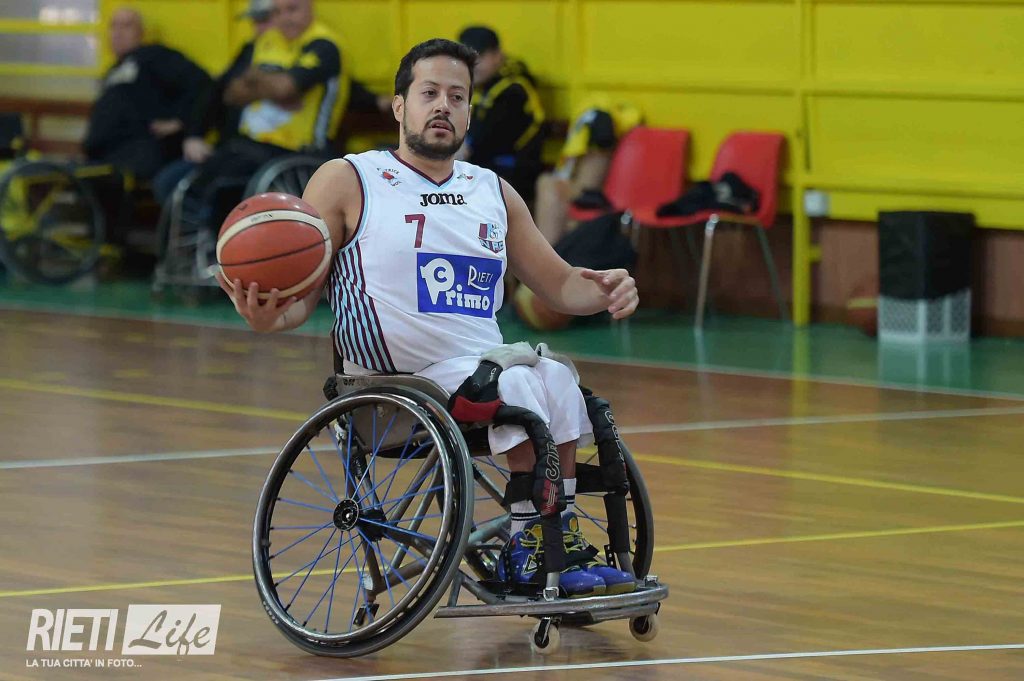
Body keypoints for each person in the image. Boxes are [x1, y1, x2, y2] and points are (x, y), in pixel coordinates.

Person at [217, 38, 640, 597]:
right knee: (517, 381)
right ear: (399, 106)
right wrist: (270, 317)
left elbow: (560, 284)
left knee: (556, 375)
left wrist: (606, 290)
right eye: (429, 93)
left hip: (479, 374)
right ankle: (529, 548)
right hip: (389, 392)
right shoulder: (349, 178)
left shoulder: (492, 190)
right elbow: (303, 292)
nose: (443, 105)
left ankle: (552, 536)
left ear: (469, 112)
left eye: (457, 96)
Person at [184, 0, 350, 231]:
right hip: (252, 144)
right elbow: (232, 93)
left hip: (299, 150)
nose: (285, 17)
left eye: (292, 9)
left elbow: (284, 88)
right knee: (195, 177)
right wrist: (278, 88)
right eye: (278, 12)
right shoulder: (269, 40)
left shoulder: (324, 45)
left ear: (310, 7)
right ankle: (212, 245)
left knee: (226, 182)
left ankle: (227, 245)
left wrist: (259, 82)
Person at [151, 0, 276, 204]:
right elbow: (215, 92)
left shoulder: (296, 55)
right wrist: (194, 135)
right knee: (168, 182)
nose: (258, 28)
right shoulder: (251, 49)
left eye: (264, 20)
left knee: (213, 189)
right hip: (230, 148)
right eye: (255, 22)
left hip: (262, 152)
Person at [83, 7, 210, 181]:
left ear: (141, 33)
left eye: (127, 26)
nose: (118, 33)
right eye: (114, 26)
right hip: (101, 156)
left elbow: (203, 84)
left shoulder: (154, 56)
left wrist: (182, 122)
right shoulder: (112, 71)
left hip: (137, 155)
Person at [457, 26, 545, 202]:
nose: (474, 65)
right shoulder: (477, 86)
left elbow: (489, 140)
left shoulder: (515, 89)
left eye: (480, 57)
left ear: (497, 55)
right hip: (483, 168)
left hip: (514, 173)